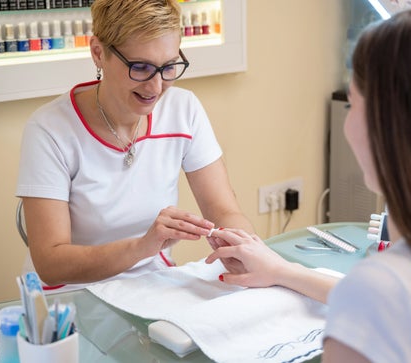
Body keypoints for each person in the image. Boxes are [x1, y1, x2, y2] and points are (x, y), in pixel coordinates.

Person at [206, 5, 411, 362]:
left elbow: (379, 301)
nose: (346, 124)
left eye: (352, 104)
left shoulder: (382, 291)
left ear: (388, 127)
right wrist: (281, 270)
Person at [15, 0, 253, 289]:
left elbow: (223, 210)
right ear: (98, 53)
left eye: (168, 67)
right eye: (140, 67)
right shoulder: (49, 130)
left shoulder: (183, 109)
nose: (155, 87)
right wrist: (143, 247)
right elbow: (50, 264)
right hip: (71, 299)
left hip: (153, 287)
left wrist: (249, 251)